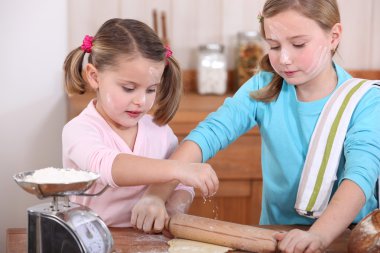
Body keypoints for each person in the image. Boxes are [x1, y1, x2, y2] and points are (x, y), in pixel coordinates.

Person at [131, 0, 380, 252]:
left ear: (334, 36)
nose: (283, 58)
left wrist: (318, 236)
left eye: (298, 44)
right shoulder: (264, 86)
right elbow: (209, 134)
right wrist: (156, 195)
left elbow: (360, 177)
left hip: (349, 239)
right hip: (276, 238)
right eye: (274, 45)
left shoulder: (365, 101)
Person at [62, 18, 219, 230]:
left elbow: (181, 184)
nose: (141, 101)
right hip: (91, 241)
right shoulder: (78, 130)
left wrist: (173, 208)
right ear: (94, 77)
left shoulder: (160, 131)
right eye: (128, 88)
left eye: (151, 89)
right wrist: (179, 168)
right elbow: (107, 167)